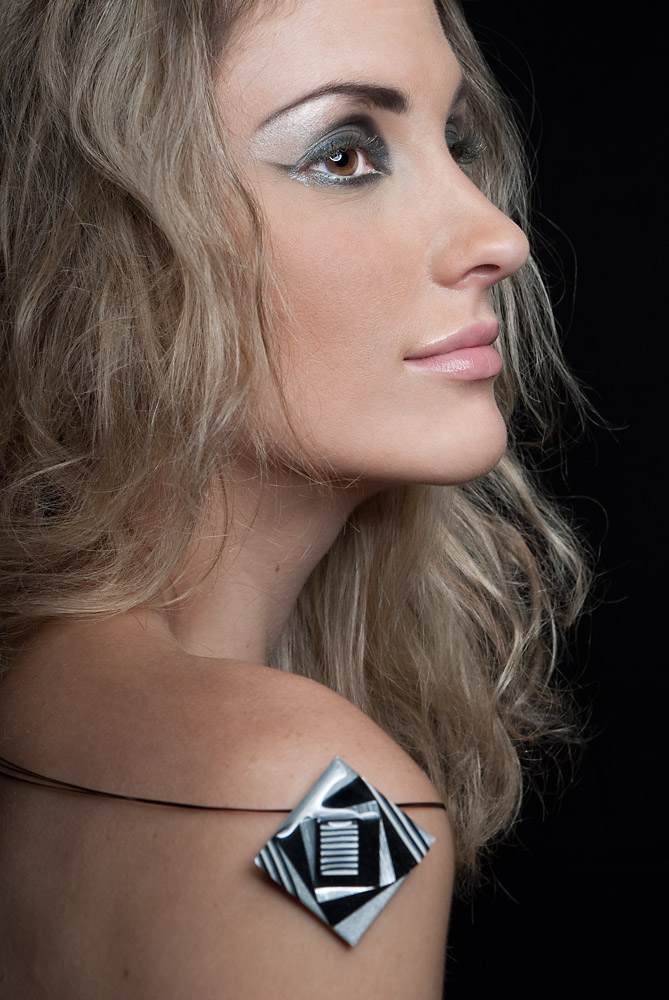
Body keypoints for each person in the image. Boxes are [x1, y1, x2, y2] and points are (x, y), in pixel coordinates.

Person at [0, 0, 599, 996]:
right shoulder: (314, 798)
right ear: (107, 248)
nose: (497, 235)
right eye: (344, 155)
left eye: (456, 140)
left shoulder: (38, 697)